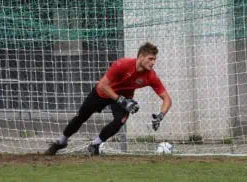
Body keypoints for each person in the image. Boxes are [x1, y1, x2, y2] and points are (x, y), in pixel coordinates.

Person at [44, 42, 172, 156]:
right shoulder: (122, 64)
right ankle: (61, 142)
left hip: (124, 97)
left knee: (120, 121)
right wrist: (121, 100)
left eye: (155, 59)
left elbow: (167, 99)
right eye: (150, 59)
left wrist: (160, 116)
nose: (153, 62)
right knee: (81, 117)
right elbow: (103, 85)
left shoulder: (151, 76)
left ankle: (95, 144)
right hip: (103, 92)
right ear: (141, 56)